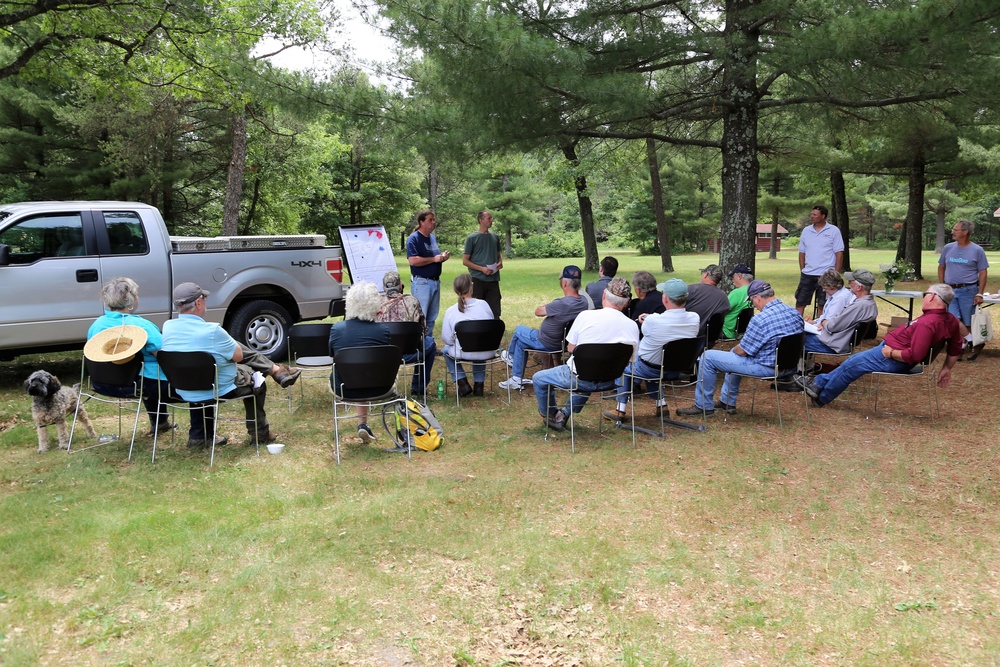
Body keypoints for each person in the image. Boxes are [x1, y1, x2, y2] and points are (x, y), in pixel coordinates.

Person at [162, 283, 283, 448]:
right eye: (204, 299)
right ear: (198, 303)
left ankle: (199, 437)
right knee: (257, 379)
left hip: (183, 388)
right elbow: (239, 356)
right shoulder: (213, 331)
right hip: (217, 388)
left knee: (197, 375)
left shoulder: (167, 327)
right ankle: (260, 433)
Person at [802, 284, 963, 407]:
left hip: (893, 358)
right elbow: (956, 347)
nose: (924, 297)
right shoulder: (949, 320)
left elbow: (915, 355)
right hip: (891, 353)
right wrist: (947, 368)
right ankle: (818, 384)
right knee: (853, 361)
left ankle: (821, 396)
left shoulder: (928, 323)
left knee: (853, 365)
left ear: (933, 297)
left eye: (925, 294)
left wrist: (891, 352)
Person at [677, 280, 802, 416]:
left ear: (757, 298)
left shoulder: (760, 320)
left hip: (766, 367)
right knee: (733, 354)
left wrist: (736, 348)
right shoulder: (793, 312)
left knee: (708, 357)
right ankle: (727, 402)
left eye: (752, 301)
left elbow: (742, 351)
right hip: (789, 366)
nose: (753, 305)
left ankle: (703, 406)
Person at [532, 277, 639, 430]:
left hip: (582, 377)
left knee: (539, 378)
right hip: (611, 379)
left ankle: (551, 414)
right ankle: (562, 415)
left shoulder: (586, 316)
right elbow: (631, 359)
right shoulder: (632, 326)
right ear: (627, 302)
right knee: (589, 368)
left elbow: (570, 348)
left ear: (603, 295)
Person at [87, 277, 178, 436]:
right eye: (137, 294)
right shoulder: (141, 326)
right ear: (131, 301)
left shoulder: (97, 324)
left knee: (147, 372)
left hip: (101, 383)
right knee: (155, 372)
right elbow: (165, 356)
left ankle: (161, 422)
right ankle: (199, 432)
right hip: (136, 386)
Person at [603, 278, 700, 421]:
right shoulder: (695, 318)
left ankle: (620, 409)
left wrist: (648, 319)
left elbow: (651, 329)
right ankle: (661, 405)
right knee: (651, 359)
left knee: (626, 363)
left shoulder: (653, 321)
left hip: (652, 368)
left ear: (665, 298)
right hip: (679, 368)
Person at [499, 265, 592, 391]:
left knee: (519, 330)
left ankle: (510, 357)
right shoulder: (583, 302)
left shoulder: (561, 303)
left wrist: (547, 306)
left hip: (546, 341)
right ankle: (516, 379)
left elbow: (538, 311)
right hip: (564, 342)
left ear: (565, 284)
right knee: (521, 343)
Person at [329, 282, 391, 443]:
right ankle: (363, 424)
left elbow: (333, 358)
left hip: (345, 387)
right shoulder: (383, 331)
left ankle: (362, 423)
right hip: (380, 386)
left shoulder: (337, 329)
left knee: (356, 373)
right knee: (365, 372)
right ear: (376, 304)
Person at [376, 270, 437, 396]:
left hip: (382, 353)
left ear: (383, 287)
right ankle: (418, 388)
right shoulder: (412, 301)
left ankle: (381, 387)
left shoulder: (376, 304)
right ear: (400, 286)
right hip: (409, 353)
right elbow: (423, 330)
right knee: (430, 343)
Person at [938, 219, 989, 360]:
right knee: (954, 319)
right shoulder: (948, 247)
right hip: (950, 290)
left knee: (967, 321)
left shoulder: (977, 250)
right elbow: (941, 266)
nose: (952, 232)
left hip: (968, 290)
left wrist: (980, 293)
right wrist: (943, 285)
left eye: (955, 229)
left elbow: (983, 272)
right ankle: (970, 342)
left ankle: (965, 344)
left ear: (965, 232)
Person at [442, 274, 496, 397]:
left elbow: (447, 339)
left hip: (463, 351)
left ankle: (462, 382)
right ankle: (479, 385)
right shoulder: (484, 305)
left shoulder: (451, 311)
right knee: (480, 342)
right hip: (487, 350)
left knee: (446, 350)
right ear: (472, 287)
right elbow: (491, 329)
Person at [803, 269, 878, 355]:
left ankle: (795, 368)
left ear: (859, 287)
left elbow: (833, 326)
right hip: (836, 340)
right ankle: (804, 366)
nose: (848, 283)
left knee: (793, 340)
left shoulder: (859, 306)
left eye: (851, 282)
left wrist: (823, 322)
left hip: (832, 343)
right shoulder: (868, 303)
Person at [406, 210, 450, 334]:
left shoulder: (432, 238)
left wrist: (442, 257)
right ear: (421, 222)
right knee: (421, 317)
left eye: (434, 220)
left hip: (435, 281)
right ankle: (420, 347)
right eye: (430, 220)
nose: (433, 222)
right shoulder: (413, 239)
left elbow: (433, 257)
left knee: (431, 317)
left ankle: (429, 346)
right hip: (422, 283)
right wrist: (434, 259)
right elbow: (413, 261)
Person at [796, 205, 844, 317]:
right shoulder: (806, 231)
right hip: (808, 274)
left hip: (826, 274)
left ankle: (820, 327)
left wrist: (836, 273)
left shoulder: (833, 231)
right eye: (811, 214)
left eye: (814, 215)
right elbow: (802, 252)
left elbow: (839, 253)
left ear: (823, 216)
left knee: (823, 304)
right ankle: (797, 327)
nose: (811, 216)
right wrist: (803, 269)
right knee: (800, 302)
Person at [462, 210, 503, 319]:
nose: (491, 220)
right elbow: (465, 261)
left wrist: (499, 263)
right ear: (481, 220)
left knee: (494, 308)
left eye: (491, 218)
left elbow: (499, 254)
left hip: (493, 279)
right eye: (489, 218)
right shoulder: (472, 238)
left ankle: (494, 327)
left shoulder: (495, 237)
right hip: (478, 279)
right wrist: (482, 269)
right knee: (477, 307)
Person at [684, 264, 730, 344]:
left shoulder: (691, 290)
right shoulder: (724, 298)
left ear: (705, 274)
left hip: (687, 337)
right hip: (708, 340)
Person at [722, 264, 753, 339]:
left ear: (739, 276)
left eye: (733, 278)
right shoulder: (753, 290)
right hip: (742, 330)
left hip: (727, 332)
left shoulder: (737, 293)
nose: (732, 280)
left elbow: (721, 310)